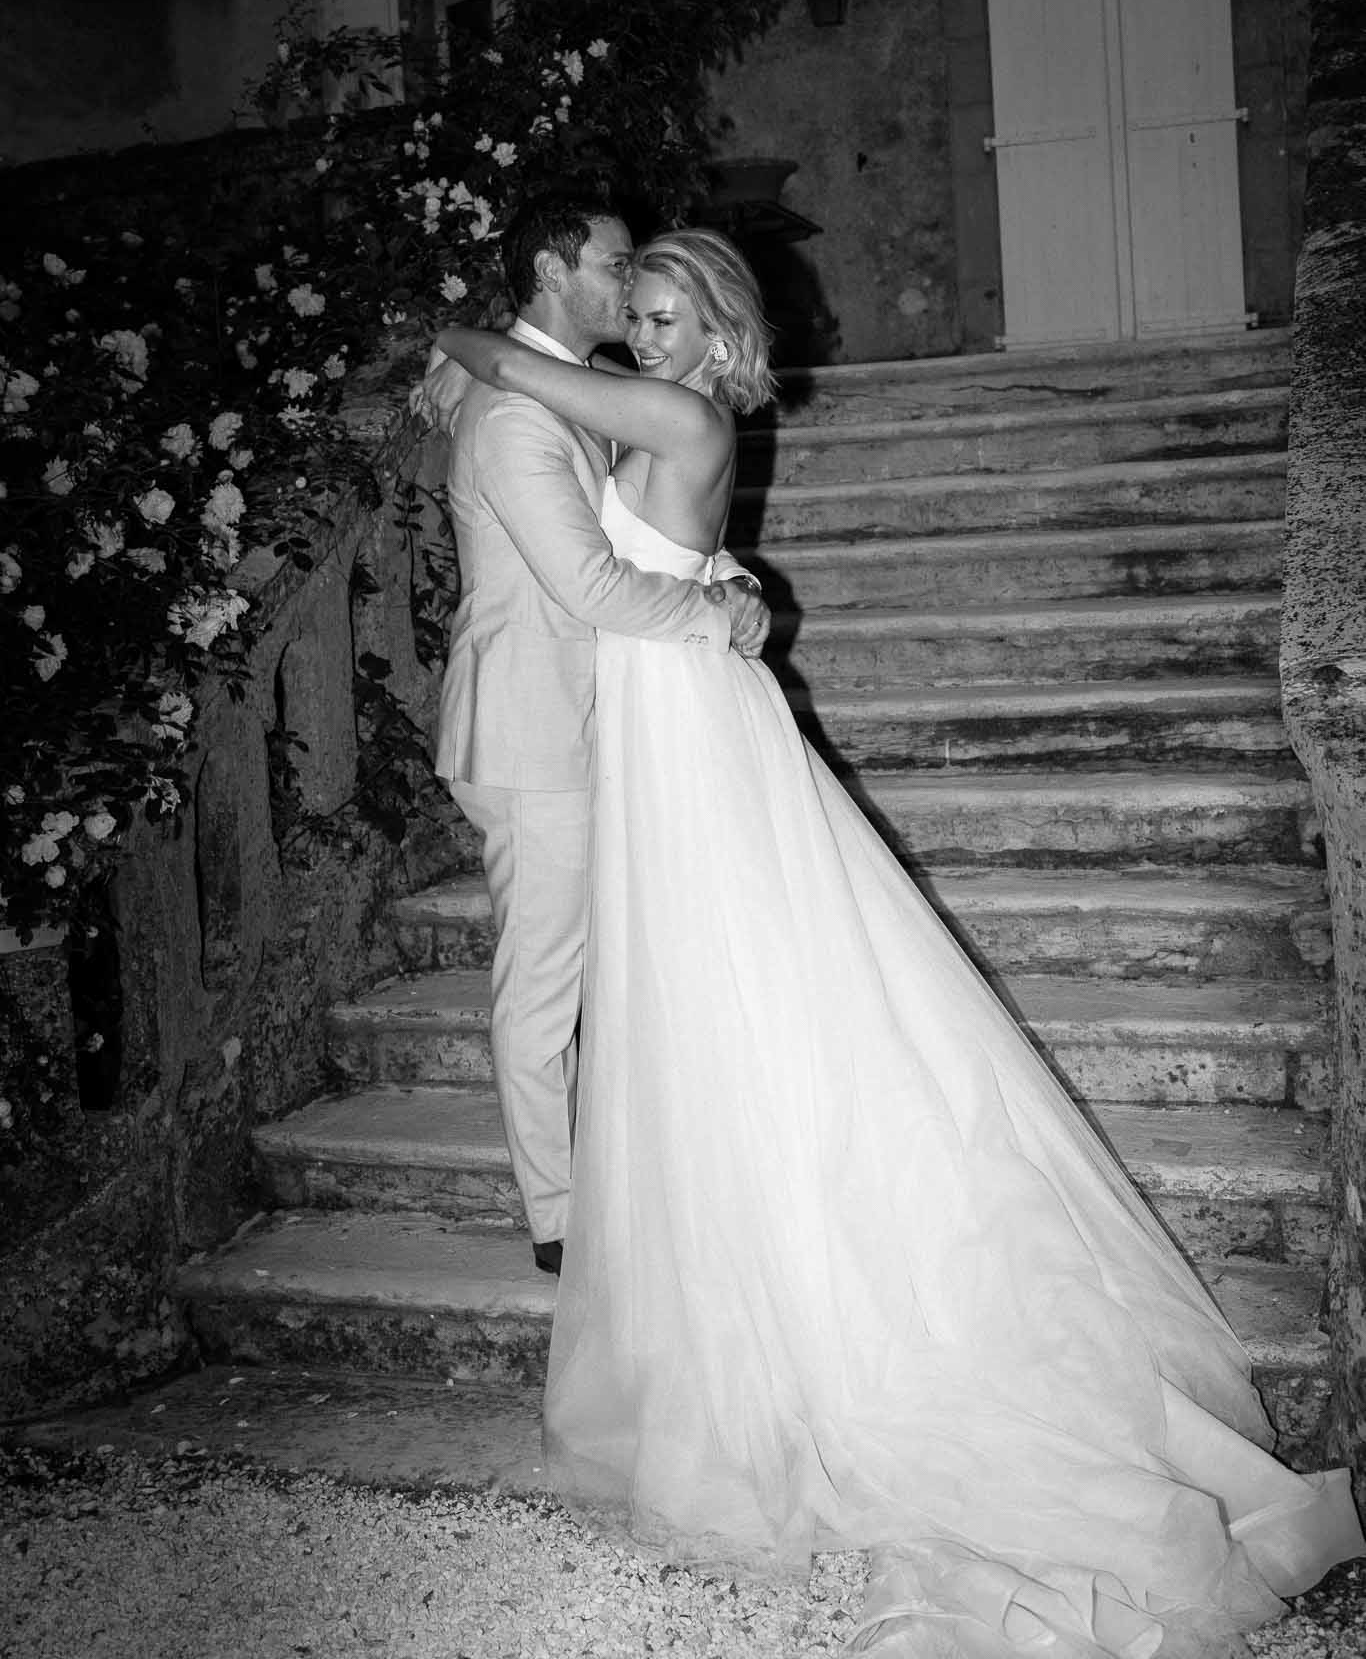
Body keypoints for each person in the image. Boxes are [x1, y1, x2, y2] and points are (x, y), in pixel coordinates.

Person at [423, 223, 1363, 1658]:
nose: (651, 326)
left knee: (721, 971)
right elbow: (532, 417)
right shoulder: (616, 404)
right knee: (687, 986)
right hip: (653, 723)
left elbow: (542, 433)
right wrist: (719, 591)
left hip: (679, 717)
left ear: (717, 331)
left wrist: (465, 348)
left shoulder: (665, 409)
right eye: (641, 303)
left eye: (673, 310)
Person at [417, 194, 768, 1279]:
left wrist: (730, 577)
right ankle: (561, 1217)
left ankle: (628, 1173)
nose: (628, 287)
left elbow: (664, 527)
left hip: (605, 716)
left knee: (615, 961)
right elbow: (588, 583)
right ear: (553, 268)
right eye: (615, 266)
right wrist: (713, 614)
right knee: (543, 979)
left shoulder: (585, 392)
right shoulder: (518, 410)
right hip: (535, 723)